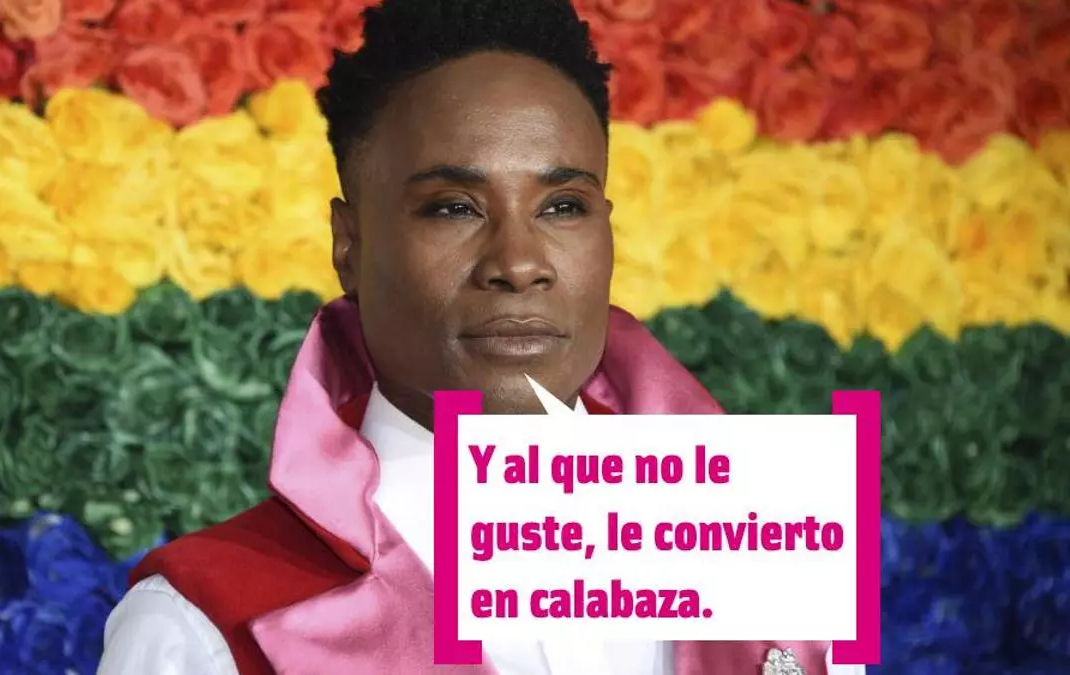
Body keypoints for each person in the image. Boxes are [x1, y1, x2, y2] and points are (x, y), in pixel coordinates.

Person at [97, 0, 866, 673]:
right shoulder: (200, 627)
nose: (519, 262)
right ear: (349, 245)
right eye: (453, 207)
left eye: (562, 206)